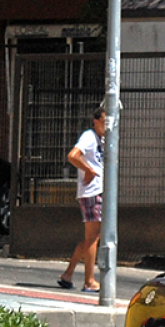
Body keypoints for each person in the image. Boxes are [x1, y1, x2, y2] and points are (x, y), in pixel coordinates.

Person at [58, 108, 106, 292]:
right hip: (92, 192)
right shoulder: (89, 136)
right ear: (95, 121)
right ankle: (89, 281)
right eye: (104, 120)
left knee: (91, 238)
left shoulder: (101, 140)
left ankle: (68, 274)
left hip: (95, 191)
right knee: (93, 238)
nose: (106, 125)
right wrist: (89, 171)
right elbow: (73, 155)